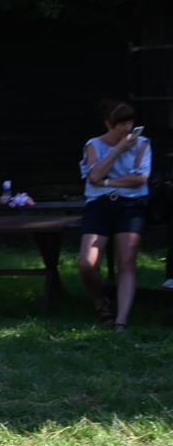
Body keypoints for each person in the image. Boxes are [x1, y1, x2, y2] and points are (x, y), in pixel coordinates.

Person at [77, 100, 152, 330]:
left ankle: (121, 320)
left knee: (127, 260)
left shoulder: (142, 144)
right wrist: (118, 149)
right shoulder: (93, 145)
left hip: (131, 205)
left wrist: (107, 181)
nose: (127, 128)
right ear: (109, 124)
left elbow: (140, 178)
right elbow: (93, 177)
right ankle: (102, 303)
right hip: (99, 206)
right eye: (121, 123)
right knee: (87, 264)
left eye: (130, 122)